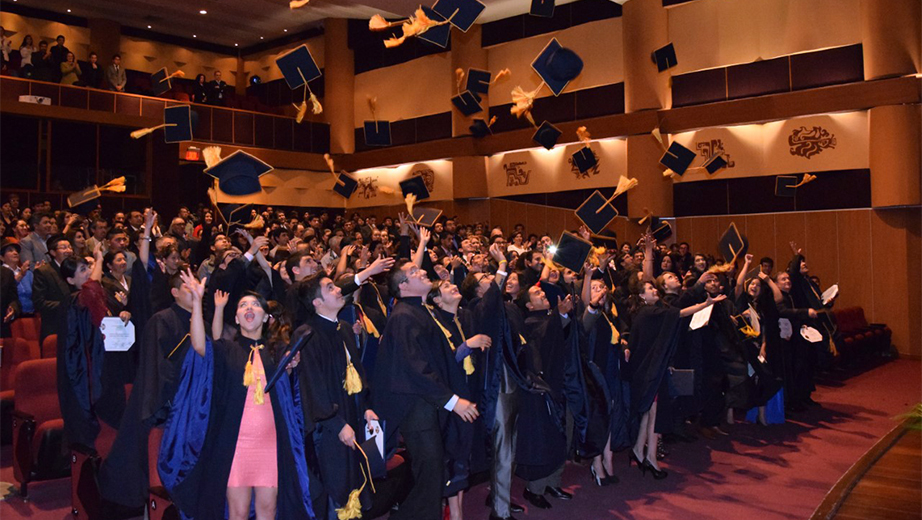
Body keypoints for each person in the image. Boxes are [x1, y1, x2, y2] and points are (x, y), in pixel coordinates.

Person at [160, 272, 315, 520]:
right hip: (236, 446)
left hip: (270, 446)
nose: (249, 308)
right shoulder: (225, 349)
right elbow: (199, 345)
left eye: (255, 304)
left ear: (266, 317)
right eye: (243, 305)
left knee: (267, 512)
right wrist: (199, 302)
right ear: (237, 317)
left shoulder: (277, 353)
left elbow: (287, 401)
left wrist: (290, 369)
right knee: (238, 513)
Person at [373, 260, 478, 520]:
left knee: (431, 476)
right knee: (430, 477)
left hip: (426, 407)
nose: (421, 271)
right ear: (404, 286)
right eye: (413, 271)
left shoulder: (418, 310)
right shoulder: (403, 316)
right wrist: (453, 401)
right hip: (417, 409)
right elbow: (414, 369)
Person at [295, 275, 378, 520]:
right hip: (327, 429)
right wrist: (337, 423)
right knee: (335, 493)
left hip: (350, 417)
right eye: (330, 288)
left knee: (354, 482)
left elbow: (356, 372)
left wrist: (366, 407)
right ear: (317, 302)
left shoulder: (342, 328)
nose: (338, 290)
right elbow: (312, 388)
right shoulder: (307, 335)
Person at [32, 234, 74, 342]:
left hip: (74, 325)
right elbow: (39, 303)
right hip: (55, 326)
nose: (68, 251)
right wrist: (67, 305)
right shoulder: (44, 272)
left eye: (70, 247)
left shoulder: (75, 269)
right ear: (53, 252)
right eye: (64, 248)